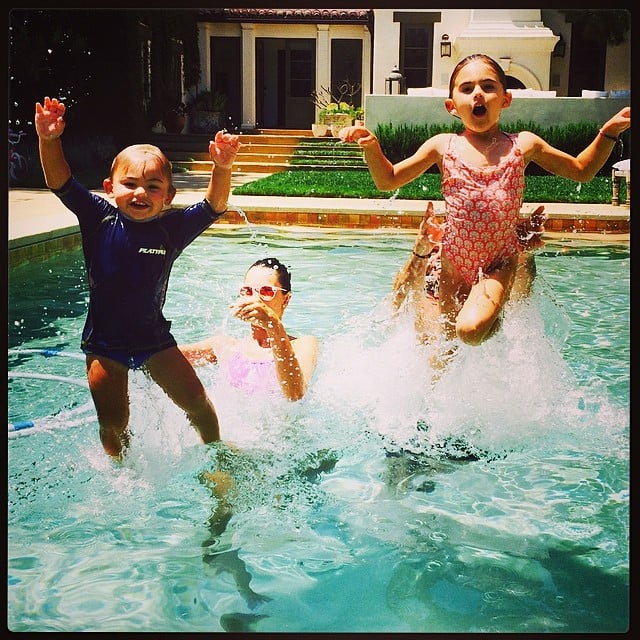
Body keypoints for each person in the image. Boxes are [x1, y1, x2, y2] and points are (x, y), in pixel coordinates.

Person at [340, 53, 630, 347]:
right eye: (467, 89)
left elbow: (582, 170)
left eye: (488, 87)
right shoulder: (443, 146)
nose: (478, 93)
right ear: (451, 106)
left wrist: (608, 132)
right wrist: (372, 146)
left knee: (469, 331)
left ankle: (494, 317)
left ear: (506, 99)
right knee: (447, 346)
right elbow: (387, 179)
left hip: (498, 262)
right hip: (452, 262)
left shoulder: (523, 145)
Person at [34, 95, 241, 459]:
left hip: (154, 340)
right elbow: (61, 182)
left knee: (196, 402)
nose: (140, 192)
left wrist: (221, 168)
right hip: (105, 344)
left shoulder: (172, 229)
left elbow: (214, 206)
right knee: (113, 421)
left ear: (168, 196)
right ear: (110, 188)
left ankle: (217, 452)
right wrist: (49, 140)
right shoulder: (98, 218)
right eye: (129, 184)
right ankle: (122, 472)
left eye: (153, 186)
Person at [391, 201, 547, 345]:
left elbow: (519, 299)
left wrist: (524, 254)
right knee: (437, 339)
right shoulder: (441, 236)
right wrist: (421, 248)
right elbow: (399, 301)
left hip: (477, 300)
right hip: (435, 300)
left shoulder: (494, 254)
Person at [180, 257, 318, 401]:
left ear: (286, 299)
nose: (255, 299)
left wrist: (273, 324)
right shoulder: (226, 347)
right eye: (248, 291)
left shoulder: (304, 345)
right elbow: (161, 358)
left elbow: (294, 394)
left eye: (266, 291)